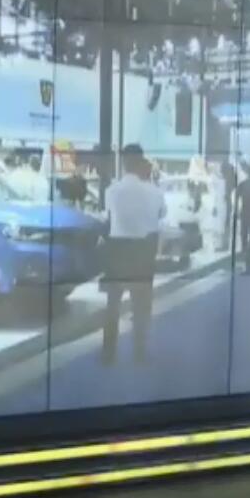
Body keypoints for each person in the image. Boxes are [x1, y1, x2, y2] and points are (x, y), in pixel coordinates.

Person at [101, 145, 165, 366]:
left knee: (112, 305)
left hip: (117, 251)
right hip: (142, 251)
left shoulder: (112, 190)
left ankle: (108, 353)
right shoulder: (154, 192)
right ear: (141, 162)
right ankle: (139, 352)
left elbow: (109, 218)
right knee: (141, 306)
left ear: (123, 163)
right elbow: (160, 215)